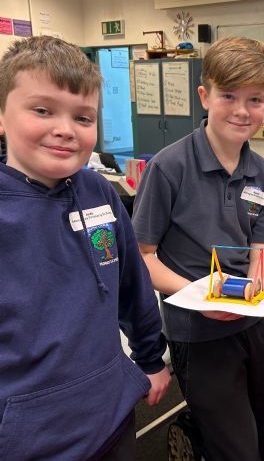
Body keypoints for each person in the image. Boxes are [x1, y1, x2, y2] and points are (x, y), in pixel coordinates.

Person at [0, 35, 170, 460]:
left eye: (83, 117)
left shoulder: (97, 190)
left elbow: (131, 284)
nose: (65, 129)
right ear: (2, 116)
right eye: (42, 110)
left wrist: (151, 357)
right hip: (31, 438)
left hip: (110, 415)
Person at [132, 36, 264, 461]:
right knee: (235, 448)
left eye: (254, 99)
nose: (241, 110)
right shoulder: (169, 167)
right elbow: (143, 258)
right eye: (228, 96)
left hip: (253, 325)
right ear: (205, 96)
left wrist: (261, 298)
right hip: (198, 331)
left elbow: (261, 250)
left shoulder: (263, 173)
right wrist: (199, 297)